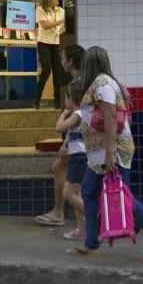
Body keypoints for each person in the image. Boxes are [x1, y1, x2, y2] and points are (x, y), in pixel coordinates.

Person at [67, 46, 143, 265]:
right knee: (89, 192)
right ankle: (91, 243)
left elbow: (109, 118)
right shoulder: (101, 83)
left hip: (111, 150)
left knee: (125, 198)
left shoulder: (103, 84)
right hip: (99, 153)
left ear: (89, 63)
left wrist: (110, 154)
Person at [35, 44, 84, 227]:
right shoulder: (81, 81)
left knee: (70, 183)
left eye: (63, 58)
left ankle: (65, 214)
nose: (61, 61)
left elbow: (76, 117)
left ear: (70, 62)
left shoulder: (78, 84)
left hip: (82, 142)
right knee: (61, 169)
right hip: (81, 140)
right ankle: (76, 221)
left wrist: (67, 142)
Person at [54, 79, 89, 241]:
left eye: (66, 97)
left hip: (79, 158)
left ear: (71, 98)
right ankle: (83, 229)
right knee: (77, 194)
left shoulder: (77, 114)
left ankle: (95, 216)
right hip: (80, 157)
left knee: (68, 194)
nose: (65, 101)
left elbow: (59, 127)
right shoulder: (83, 113)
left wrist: (63, 114)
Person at [33, 0, 65, 110]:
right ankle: (37, 99)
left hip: (56, 43)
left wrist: (62, 29)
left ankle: (58, 102)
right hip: (44, 43)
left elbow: (62, 28)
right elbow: (46, 26)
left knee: (58, 72)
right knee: (46, 71)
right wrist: (62, 20)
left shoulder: (61, 10)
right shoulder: (40, 9)